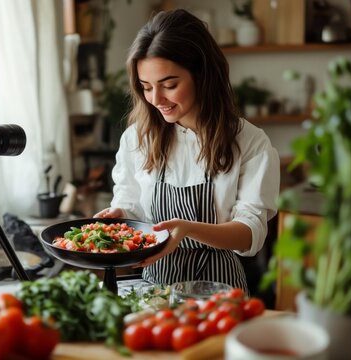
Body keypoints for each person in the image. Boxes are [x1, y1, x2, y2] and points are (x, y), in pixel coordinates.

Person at [94, 8, 280, 291]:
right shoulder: (137, 138)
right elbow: (132, 204)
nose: (156, 99)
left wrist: (189, 229)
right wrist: (119, 216)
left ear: (202, 76)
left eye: (169, 85)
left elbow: (250, 235)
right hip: (154, 290)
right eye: (146, 87)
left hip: (220, 293)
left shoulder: (250, 142)